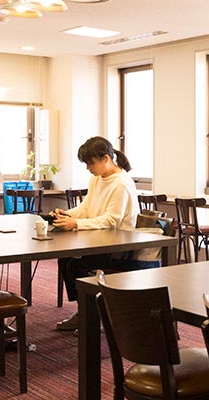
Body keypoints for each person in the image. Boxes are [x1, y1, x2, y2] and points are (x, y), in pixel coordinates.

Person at [52, 137, 161, 332]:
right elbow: (86, 207)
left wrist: (76, 223)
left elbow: (112, 221)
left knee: (76, 265)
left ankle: (95, 314)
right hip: (99, 240)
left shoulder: (121, 183)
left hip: (119, 247)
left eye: (91, 163)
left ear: (105, 158)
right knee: (64, 259)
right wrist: (67, 215)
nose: (88, 168)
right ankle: (86, 311)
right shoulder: (96, 179)